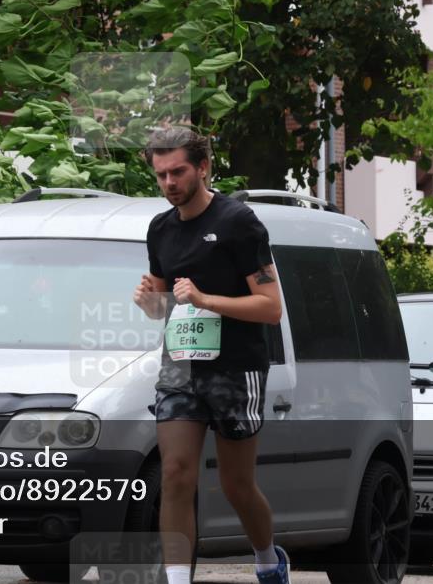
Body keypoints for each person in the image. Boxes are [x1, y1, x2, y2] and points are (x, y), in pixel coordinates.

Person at [132, 127, 288, 584]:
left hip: (236, 369)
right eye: (160, 175)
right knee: (177, 474)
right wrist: (149, 302)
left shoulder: (239, 222)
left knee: (237, 486)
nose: (168, 183)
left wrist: (206, 300)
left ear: (203, 167)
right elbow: (164, 303)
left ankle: (267, 558)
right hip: (180, 367)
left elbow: (271, 307)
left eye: (177, 171)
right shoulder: (160, 229)